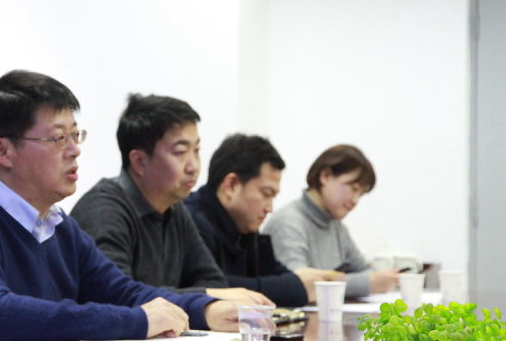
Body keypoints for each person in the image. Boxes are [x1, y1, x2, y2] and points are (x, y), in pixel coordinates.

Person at [0, 71, 242, 341]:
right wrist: (136, 321)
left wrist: (207, 310)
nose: (75, 150)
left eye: (76, 136)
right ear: (3, 151)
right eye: (59, 138)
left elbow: (124, 293)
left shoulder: (58, 226)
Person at [70, 94, 272, 305]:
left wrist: (203, 294)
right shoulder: (103, 210)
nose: (194, 166)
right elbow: (115, 297)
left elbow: (214, 282)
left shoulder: (174, 208)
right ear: (139, 162)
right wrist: (203, 296)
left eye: (197, 151)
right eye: (180, 152)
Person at [184, 134, 333, 306]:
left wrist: (304, 280)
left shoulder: (243, 227)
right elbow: (209, 287)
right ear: (231, 185)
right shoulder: (191, 220)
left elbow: (272, 272)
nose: (270, 208)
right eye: (266, 194)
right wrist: (295, 287)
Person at [266, 144, 399, 298]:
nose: (355, 201)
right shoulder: (288, 222)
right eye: (354, 189)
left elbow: (367, 271)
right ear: (325, 176)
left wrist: (371, 280)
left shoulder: (336, 226)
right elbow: (299, 284)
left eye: (361, 195)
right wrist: (368, 284)